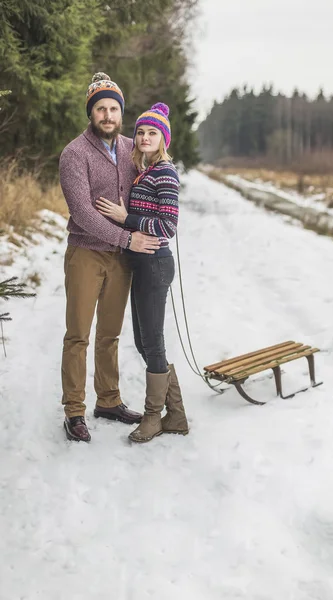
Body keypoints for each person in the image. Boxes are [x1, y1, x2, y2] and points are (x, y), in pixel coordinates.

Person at [59, 72, 161, 443]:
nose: (107, 115)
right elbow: (83, 213)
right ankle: (74, 410)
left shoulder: (133, 148)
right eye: (100, 108)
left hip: (121, 258)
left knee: (110, 334)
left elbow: (160, 166)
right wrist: (126, 237)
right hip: (86, 254)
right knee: (78, 336)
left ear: (121, 113)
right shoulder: (74, 154)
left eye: (113, 108)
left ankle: (109, 400)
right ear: (91, 113)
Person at [96, 102, 189, 443]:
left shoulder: (165, 172)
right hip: (142, 264)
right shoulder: (144, 170)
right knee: (144, 341)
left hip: (155, 263)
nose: (145, 137)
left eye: (153, 132)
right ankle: (176, 414)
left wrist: (127, 219)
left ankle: (154, 417)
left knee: (151, 341)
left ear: (163, 138)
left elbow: (168, 226)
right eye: (140, 132)